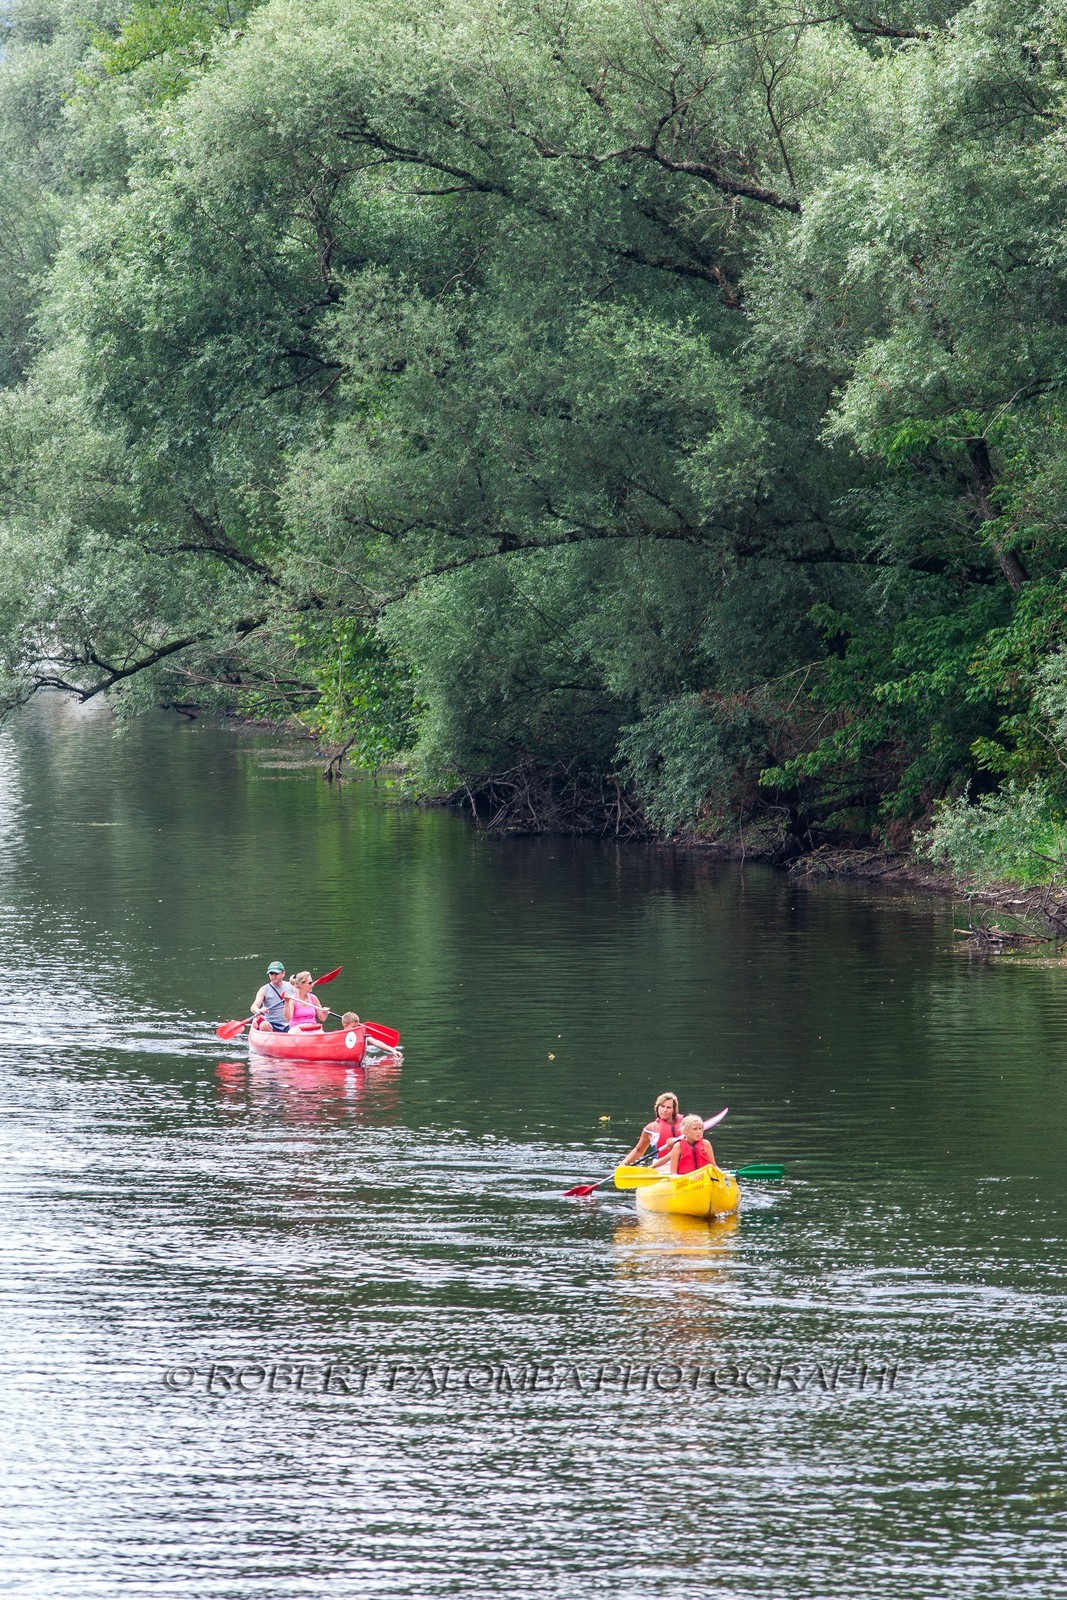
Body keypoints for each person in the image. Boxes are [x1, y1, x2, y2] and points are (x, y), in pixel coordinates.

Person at [622, 1092, 683, 1167]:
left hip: (683, 1165)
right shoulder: (650, 1128)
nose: (664, 1110)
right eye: (662, 1106)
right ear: (657, 1107)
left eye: (668, 1107)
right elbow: (639, 1150)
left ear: (674, 1110)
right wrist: (625, 1162)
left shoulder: (685, 1124)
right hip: (660, 1166)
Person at [250, 962, 294, 1032]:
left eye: (276, 973)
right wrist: (259, 1010)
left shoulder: (291, 987)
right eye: (271, 973)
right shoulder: (263, 990)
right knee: (263, 1025)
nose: (273, 976)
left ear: (283, 973)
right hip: (272, 1024)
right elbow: (253, 1007)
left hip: (290, 1024)